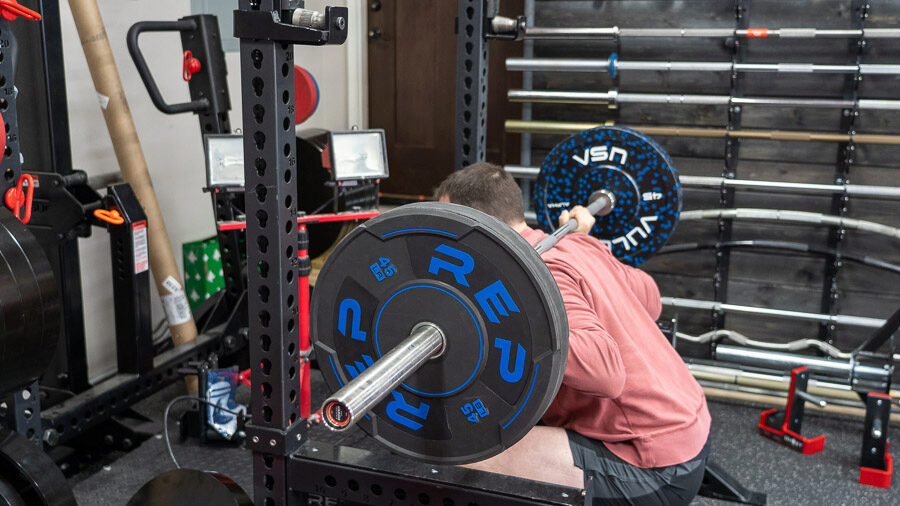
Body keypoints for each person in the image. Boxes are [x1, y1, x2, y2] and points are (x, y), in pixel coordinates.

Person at [434, 162, 711, 506]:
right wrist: (590, 247)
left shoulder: (535, 275)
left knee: (462, 459)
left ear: (478, 225)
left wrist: (503, 319)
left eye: (447, 227)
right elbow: (651, 299)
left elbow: (603, 372)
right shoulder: (577, 245)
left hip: (654, 467)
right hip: (694, 429)